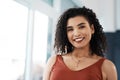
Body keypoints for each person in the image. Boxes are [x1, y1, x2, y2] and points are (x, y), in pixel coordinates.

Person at [43, 6, 117, 80]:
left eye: (81, 27)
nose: (76, 33)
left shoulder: (107, 67)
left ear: (92, 29)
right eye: (70, 29)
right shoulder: (53, 62)